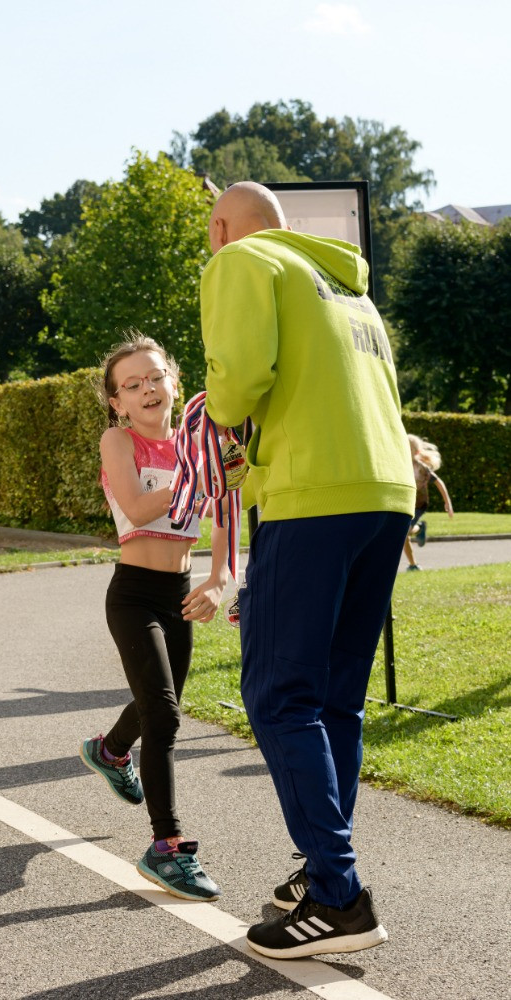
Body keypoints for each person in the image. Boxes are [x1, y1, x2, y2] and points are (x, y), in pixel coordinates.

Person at [201, 182, 416, 958]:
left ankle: (338, 894)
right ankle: (322, 871)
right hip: (385, 492)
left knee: (278, 695)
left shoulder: (242, 260)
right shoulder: (350, 289)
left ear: (225, 226)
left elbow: (233, 389)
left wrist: (229, 429)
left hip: (310, 495)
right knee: (335, 700)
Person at [80, 331, 228, 901]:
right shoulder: (118, 443)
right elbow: (140, 507)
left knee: (160, 702)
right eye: (131, 384)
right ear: (116, 401)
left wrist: (219, 580)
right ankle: (166, 848)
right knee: (164, 716)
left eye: (155, 377)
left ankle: (110, 751)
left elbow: (223, 513)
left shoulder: (201, 440)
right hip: (134, 593)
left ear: (174, 381)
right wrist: (196, 471)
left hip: (182, 590)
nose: (146, 389)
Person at [403, 434, 454, 570]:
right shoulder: (401, 466)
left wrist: (447, 502)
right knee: (403, 534)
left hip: (419, 505)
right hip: (406, 503)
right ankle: (413, 565)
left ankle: (419, 528)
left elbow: (438, 482)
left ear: (416, 452)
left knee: (404, 531)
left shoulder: (421, 468)